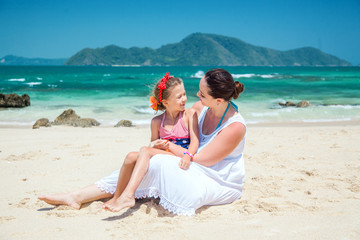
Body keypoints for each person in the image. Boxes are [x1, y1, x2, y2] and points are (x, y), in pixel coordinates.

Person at [38, 68, 246, 216]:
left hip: (214, 177)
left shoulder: (234, 127)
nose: (196, 95)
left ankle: (121, 195)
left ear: (219, 100)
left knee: (154, 162)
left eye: (201, 93)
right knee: (138, 159)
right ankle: (78, 195)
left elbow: (202, 159)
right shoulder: (201, 108)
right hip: (188, 161)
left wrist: (167, 146)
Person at [102, 72, 199, 211]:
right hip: (164, 154)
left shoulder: (189, 115)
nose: (184, 99)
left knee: (145, 150)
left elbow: (195, 141)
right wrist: (155, 144)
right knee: (130, 156)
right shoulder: (157, 121)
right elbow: (153, 144)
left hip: (180, 155)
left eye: (184, 94)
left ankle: (128, 195)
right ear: (165, 102)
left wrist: (188, 155)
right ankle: (117, 197)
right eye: (179, 97)